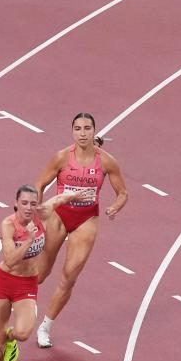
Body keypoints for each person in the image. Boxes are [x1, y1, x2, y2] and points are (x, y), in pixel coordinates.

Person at [33, 112, 128, 348]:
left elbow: (123, 193)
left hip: (86, 220)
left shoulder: (106, 161)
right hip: (59, 216)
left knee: (69, 277)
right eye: (78, 129)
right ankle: (17, 301)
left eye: (87, 128)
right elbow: (39, 184)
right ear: (72, 132)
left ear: (94, 131)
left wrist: (115, 207)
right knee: (41, 274)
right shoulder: (62, 157)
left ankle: (45, 327)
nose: (83, 133)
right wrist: (37, 212)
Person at [0, 185, 85, 361]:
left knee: (22, 334)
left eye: (32, 203)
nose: (29, 208)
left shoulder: (42, 214)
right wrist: (29, 240)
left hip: (27, 284)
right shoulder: (8, 225)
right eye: (24, 203)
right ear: (16, 204)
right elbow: (10, 260)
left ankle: (10, 338)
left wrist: (76, 195)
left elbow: (58, 199)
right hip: (3, 282)